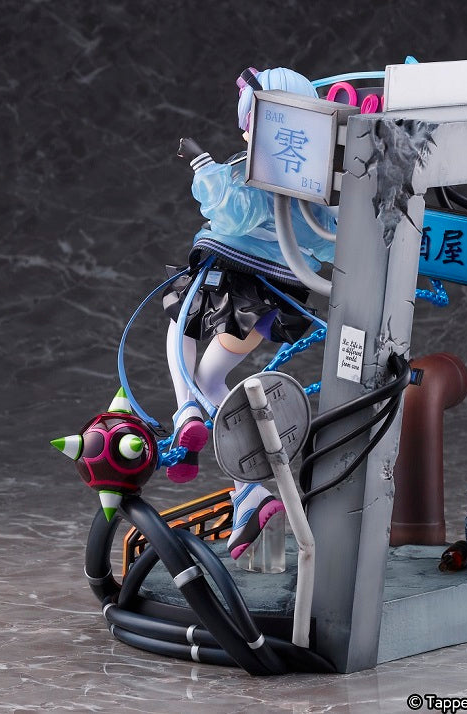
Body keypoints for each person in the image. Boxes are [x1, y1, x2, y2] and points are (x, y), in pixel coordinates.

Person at [162, 67, 336, 560]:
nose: (245, 134)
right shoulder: (320, 177)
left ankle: (189, 418)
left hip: (238, 277)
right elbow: (330, 238)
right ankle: (246, 490)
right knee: (207, 371)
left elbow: (232, 212)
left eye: (249, 123)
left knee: (184, 335)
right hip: (273, 290)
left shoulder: (267, 167)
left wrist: (204, 168)